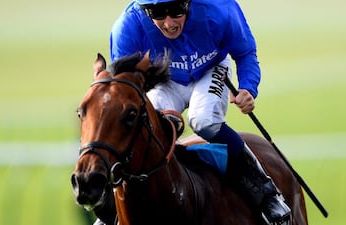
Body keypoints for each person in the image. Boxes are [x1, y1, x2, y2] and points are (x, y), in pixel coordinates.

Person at [104, 0, 291, 224]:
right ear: (145, 11)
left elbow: (245, 52)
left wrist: (248, 88)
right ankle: (112, 207)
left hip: (210, 69)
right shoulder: (127, 26)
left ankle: (266, 191)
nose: (169, 23)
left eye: (176, 11)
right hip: (163, 77)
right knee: (151, 129)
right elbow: (123, 88)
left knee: (204, 121)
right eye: (158, 13)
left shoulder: (220, 10)